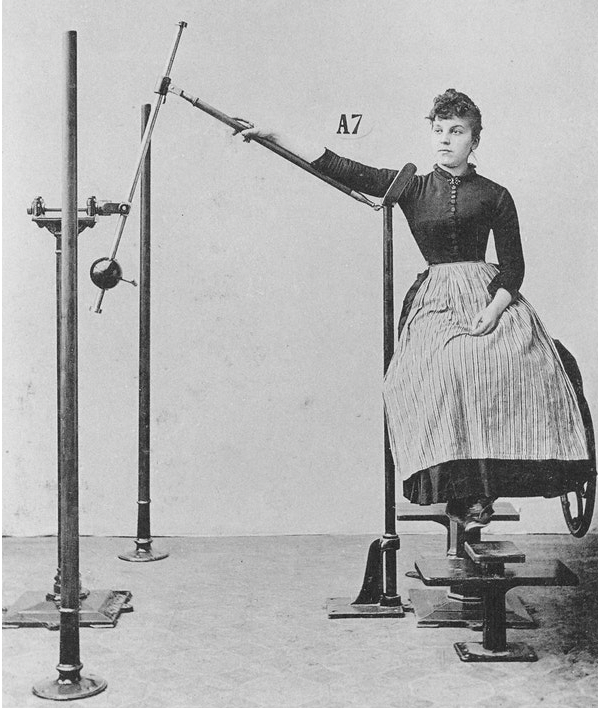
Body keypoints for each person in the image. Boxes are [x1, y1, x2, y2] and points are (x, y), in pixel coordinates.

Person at [239, 88, 591, 531]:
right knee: (442, 368)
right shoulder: (411, 187)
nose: (445, 139)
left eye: (456, 131)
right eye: (438, 130)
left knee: (510, 363)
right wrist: (274, 133)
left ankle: (486, 490)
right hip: (436, 299)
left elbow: (514, 267)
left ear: (474, 140)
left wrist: (495, 309)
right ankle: (459, 491)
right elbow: (340, 166)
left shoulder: (495, 195)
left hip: (491, 298)